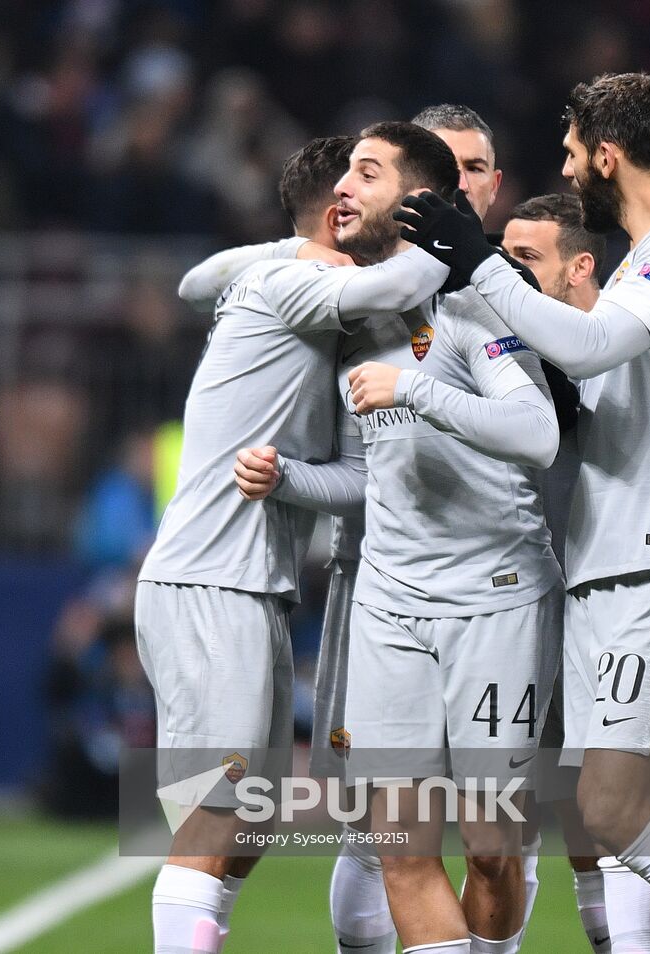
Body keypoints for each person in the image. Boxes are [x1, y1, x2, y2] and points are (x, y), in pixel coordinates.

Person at [400, 72, 650, 954]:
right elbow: (601, 384)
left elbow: (599, 341)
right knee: (629, 813)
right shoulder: (645, 259)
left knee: (608, 807)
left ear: (608, 154)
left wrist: (483, 264)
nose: (566, 167)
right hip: (618, 556)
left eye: (572, 151)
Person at [137, 133, 446, 954]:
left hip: (255, 583)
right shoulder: (290, 281)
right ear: (343, 212)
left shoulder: (332, 318)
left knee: (249, 824)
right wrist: (451, 231)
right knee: (215, 811)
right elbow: (413, 273)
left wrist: (287, 483)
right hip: (208, 582)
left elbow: (358, 479)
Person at [501, 192, 613, 952]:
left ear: (579, 269)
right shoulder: (483, 338)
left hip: (601, 599)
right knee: (498, 820)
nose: (506, 278)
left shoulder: (615, 344)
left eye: (526, 262)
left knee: (603, 818)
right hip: (503, 600)